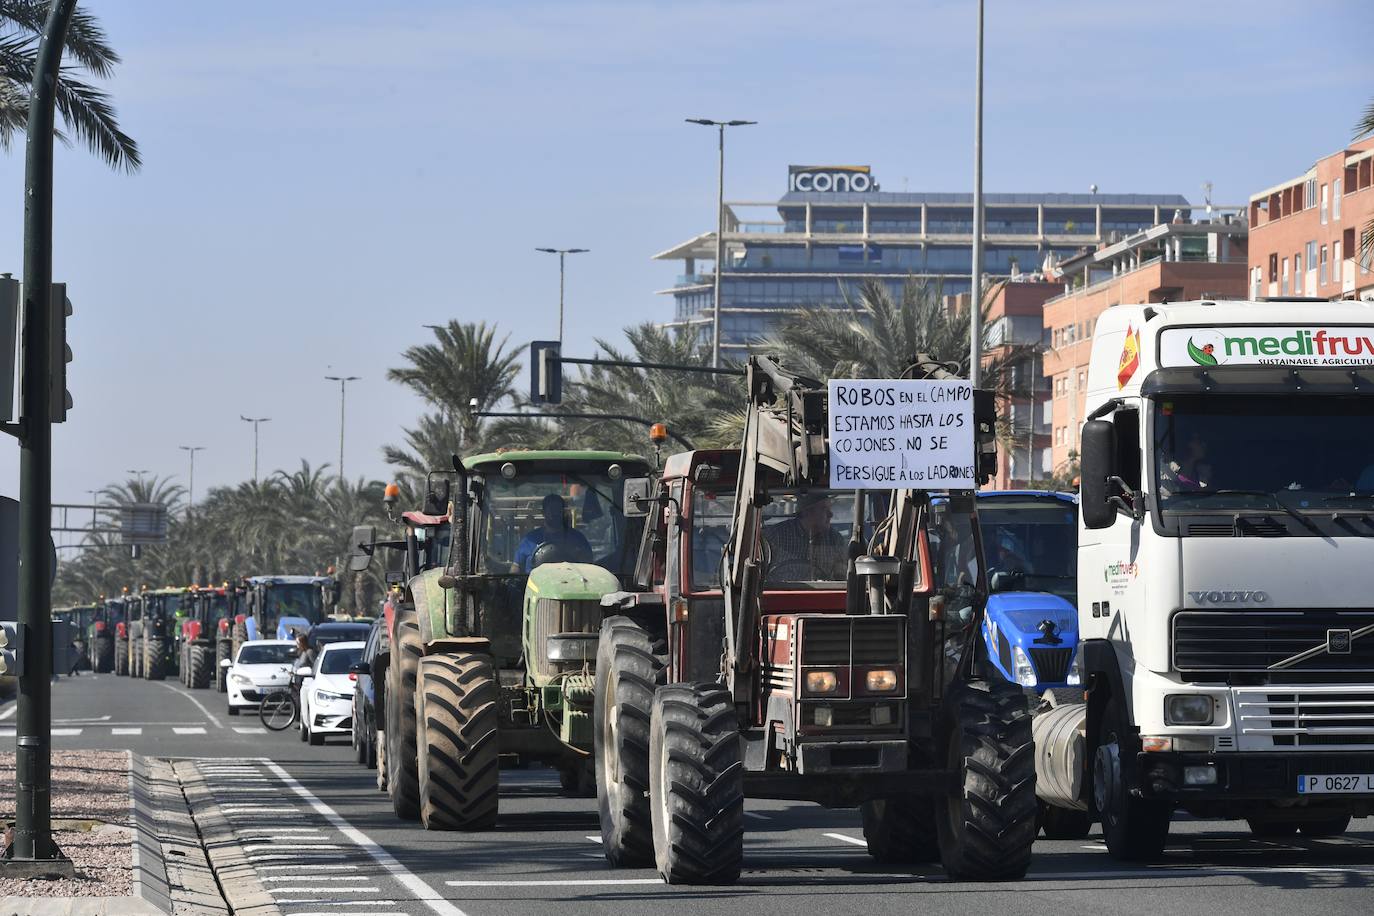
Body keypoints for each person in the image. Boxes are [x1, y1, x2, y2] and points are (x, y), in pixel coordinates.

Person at [765, 492, 846, 580]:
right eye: (824, 509)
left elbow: (841, 577)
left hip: (821, 592)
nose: (831, 514)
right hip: (780, 592)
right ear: (807, 512)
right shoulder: (775, 536)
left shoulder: (835, 540)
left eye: (830, 509)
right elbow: (759, 573)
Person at [514, 493, 593, 572]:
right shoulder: (530, 539)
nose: (555, 513)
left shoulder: (578, 539)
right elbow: (515, 567)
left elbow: (589, 567)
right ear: (543, 512)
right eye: (551, 510)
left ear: (563, 512)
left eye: (558, 509)